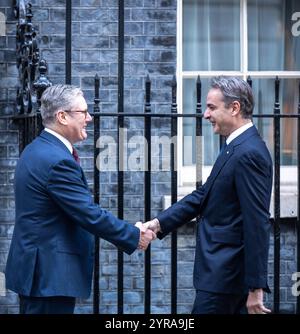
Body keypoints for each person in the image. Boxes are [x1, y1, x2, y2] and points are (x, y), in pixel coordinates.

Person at [5, 84, 156, 314]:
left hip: (39, 272)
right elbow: (88, 213)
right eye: (83, 112)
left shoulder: (36, 149)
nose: (89, 118)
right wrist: (134, 235)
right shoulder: (57, 161)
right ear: (62, 116)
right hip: (49, 276)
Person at [145, 77, 273, 314]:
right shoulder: (234, 146)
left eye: (212, 107)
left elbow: (257, 223)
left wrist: (256, 287)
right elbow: (203, 195)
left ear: (234, 108)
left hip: (227, 278)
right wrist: (158, 223)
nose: (205, 114)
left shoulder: (249, 153)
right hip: (219, 276)